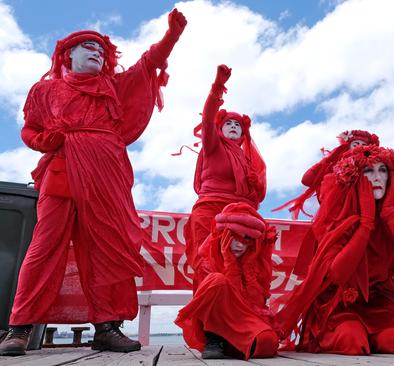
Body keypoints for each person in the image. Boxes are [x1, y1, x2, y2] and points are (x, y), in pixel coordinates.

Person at [0, 9, 187, 356]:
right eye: (87, 46)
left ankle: (106, 327)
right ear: (67, 55)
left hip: (107, 177)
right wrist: (45, 141)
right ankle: (19, 328)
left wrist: (171, 38)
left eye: (101, 49)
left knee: (104, 253)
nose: (96, 51)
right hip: (62, 172)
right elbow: (29, 129)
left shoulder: (113, 87)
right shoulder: (46, 90)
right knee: (43, 250)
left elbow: (148, 65)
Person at [274, 145, 394, 354]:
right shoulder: (338, 218)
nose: (377, 177)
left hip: (380, 301)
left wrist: (388, 217)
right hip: (339, 303)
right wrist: (366, 224)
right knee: (353, 341)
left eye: (383, 170)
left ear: (391, 177)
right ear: (356, 176)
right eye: (369, 171)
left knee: (391, 342)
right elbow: (338, 274)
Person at [183, 65, 266, 273]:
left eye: (238, 125)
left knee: (242, 271)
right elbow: (207, 119)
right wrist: (218, 87)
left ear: (243, 134)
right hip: (210, 210)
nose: (233, 126)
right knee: (208, 266)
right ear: (220, 128)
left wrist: (254, 184)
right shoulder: (213, 146)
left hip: (240, 215)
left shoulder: (248, 162)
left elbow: (259, 194)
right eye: (228, 123)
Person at [175, 203, 278, 360]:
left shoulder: (257, 263)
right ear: (223, 234)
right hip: (218, 321)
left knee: (267, 342)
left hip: (244, 318)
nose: (240, 244)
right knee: (217, 280)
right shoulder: (207, 260)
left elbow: (254, 303)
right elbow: (224, 298)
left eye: (247, 238)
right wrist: (230, 262)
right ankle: (214, 339)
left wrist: (247, 265)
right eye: (234, 236)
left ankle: (236, 344)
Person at [273, 130, 379, 276]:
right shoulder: (333, 166)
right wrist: (331, 157)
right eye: (356, 144)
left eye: (363, 145)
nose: (359, 147)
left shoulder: (375, 171)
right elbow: (307, 179)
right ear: (347, 146)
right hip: (332, 226)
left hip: (363, 226)